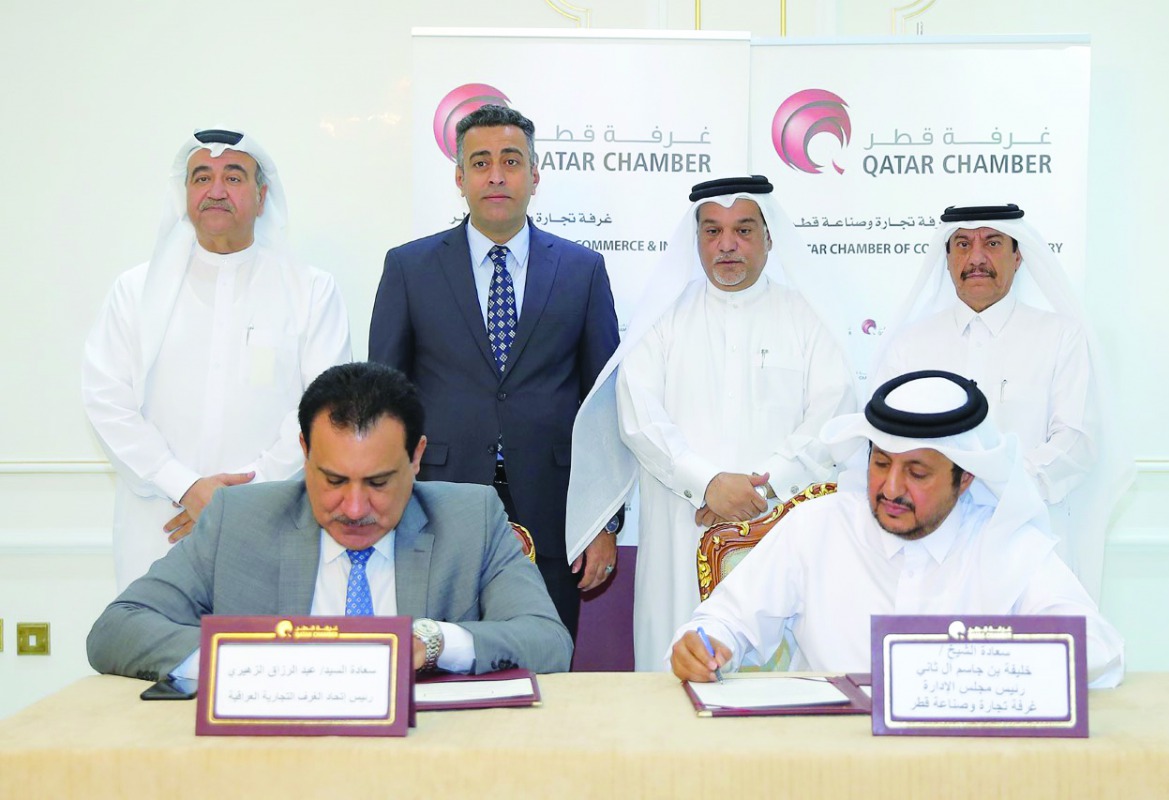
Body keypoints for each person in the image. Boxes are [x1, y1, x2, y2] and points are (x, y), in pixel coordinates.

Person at [86, 362, 573, 679]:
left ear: (417, 458)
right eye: (334, 480)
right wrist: (252, 662)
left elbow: (548, 641)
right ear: (304, 453)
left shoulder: (472, 518)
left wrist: (434, 639)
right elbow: (117, 629)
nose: (355, 508)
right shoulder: (238, 519)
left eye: (379, 483)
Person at [670, 370, 1124, 688]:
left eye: (917, 473)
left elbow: (1096, 650)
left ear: (964, 478)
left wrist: (988, 663)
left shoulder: (1005, 544)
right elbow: (725, 621)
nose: (890, 488)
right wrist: (705, 644)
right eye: (880, 463)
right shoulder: (817, 528)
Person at [566, 175, 856, 671]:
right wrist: (707, 485)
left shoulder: (807, 316)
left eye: (743, 230)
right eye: (712, 231)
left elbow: (832, 416)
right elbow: (639, 418)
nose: (727, 245)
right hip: (682, 526)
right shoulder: (662, 318)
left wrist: (760, 491)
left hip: (781, 525)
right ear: (695, 238)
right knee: (673, 678)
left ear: (769, 237)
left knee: (781, 682)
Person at [368, 105, 620, 638]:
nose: (497, 175)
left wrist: (603, 522)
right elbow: (384, 398)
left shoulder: (582, 270)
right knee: (436, 654)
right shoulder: (409, 268)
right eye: (480, 163)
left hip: (555, 507)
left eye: (512, 160)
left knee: (543, 655)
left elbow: (604, 403)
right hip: (436, 501)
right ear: (460, 178)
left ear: (535, 174)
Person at [82, 128, 352, 590]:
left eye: (234, 176)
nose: (216, 191)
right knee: (152, 656)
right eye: (201, 177)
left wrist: (238, 501)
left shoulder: (311, 291)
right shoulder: (134, 292)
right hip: (161, 522)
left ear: (262, 195)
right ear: (185, 194)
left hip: (271, 519)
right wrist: (186, 487)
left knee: (264, 658)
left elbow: (324, 408)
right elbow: (106, 402)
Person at [872, 204, 1132, 599]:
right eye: (962, 244)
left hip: (1030, 535)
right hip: (931, 543)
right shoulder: (910, 344)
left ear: (1017, 255)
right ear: (947, 259)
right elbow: (886, 442)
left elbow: (1077, 441)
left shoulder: (1061, 337)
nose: (976, 257)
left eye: (992, 243)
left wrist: (1002, 486)